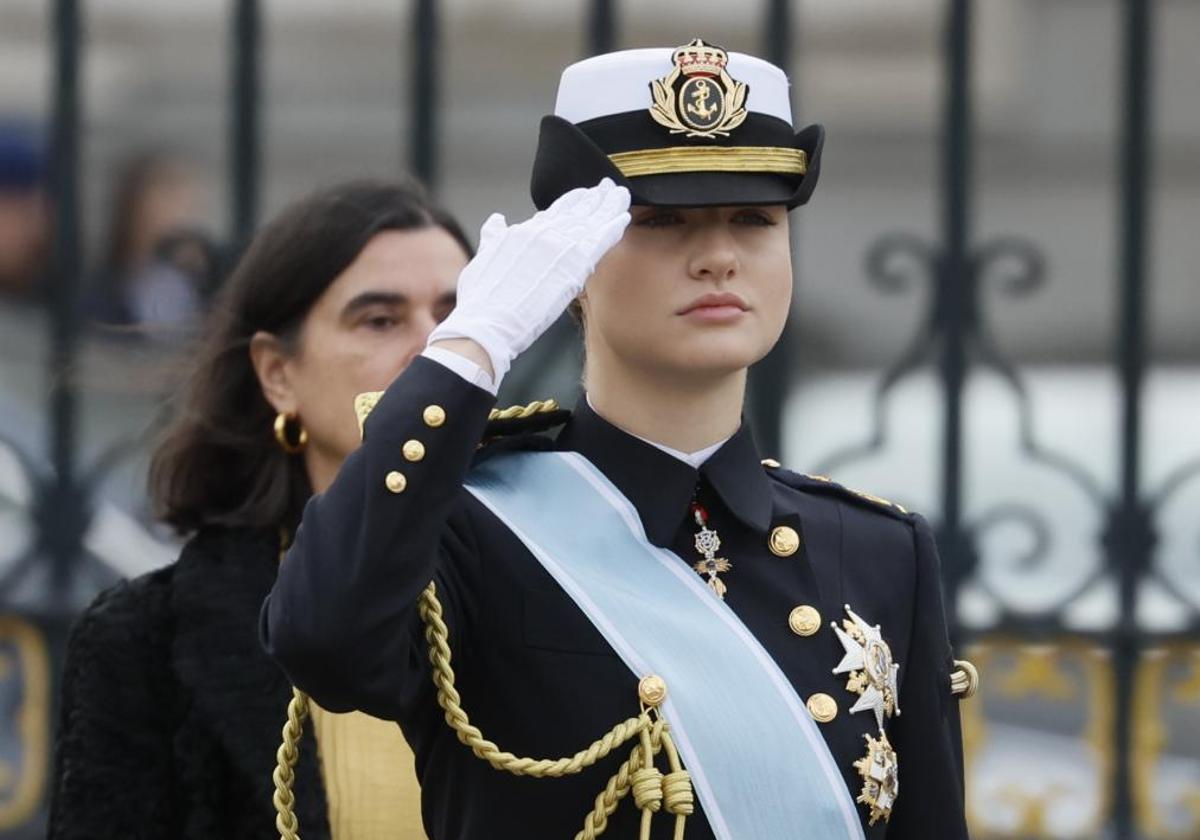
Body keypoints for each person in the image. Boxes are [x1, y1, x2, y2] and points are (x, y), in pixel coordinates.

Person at [263, 41, 977, 840]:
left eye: (754, 219)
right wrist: (472, 345)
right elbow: (320, 638)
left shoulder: (881, 551)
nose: (717, 257)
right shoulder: (469, 531)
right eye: (660, 221)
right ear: (575, 260)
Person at [49, 178, 471, 840]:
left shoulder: (570, 584)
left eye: (461, 317)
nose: (438, 349)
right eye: (381, 320)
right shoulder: (144, 642)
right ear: (278, 373)